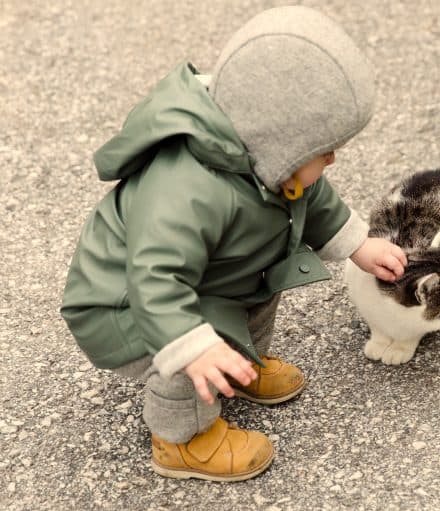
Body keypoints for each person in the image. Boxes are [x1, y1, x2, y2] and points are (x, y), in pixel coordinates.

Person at [60, 5, 406, 482]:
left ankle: (240, 365)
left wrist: (357, 243)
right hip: (127, 303)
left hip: (210, 276)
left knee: (262, 286)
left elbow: (313, 196)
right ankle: (182, 440)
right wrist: (194, 347)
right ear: (278, 140)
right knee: (191, 348)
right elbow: (154, 278)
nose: (331, 157)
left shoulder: (269, 161)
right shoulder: (186, 188)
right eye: (322, 149)